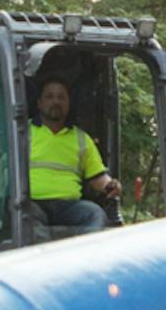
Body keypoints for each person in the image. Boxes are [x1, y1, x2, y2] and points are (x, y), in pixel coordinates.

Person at [27, 76, 120, 235]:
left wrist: (111, 185)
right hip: (32, 203)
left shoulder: (82, 139)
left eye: (61, 97)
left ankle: (88, 259)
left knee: (95, 214)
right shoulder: (23, 132)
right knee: (27, 219)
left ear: (68, 104)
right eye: (49, 97)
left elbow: (98, 177)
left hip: (69, 206)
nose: (55, 101)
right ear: (39, 103)